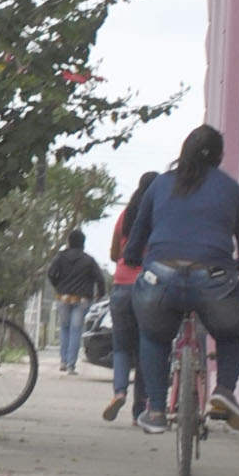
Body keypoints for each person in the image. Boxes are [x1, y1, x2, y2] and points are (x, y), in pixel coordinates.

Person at [123, 124, 239, 434]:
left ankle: (156, 410)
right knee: (237, 333)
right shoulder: (230, 189)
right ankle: (224, 391)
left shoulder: (159, 186)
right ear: (219, 157)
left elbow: (137, 235)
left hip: (160, 279)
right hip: (213, 279)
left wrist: (132, 258)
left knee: (153, 335)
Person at [101, 170, 158, 422]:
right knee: (149, 346)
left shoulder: (126, 215)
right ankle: (140, 410)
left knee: (122, 346)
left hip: (122, 285)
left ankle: (119, 391)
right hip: (150, 286)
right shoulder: (160, 216)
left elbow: (114, 253)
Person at [46, 227, 105, 374]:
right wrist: (100, 294)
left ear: (69, 242)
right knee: (75, 330)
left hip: (63, 297)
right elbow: (100, 278)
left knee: (64, 328)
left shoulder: (60, 257)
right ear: (83, 243)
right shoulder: (89, 260)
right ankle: (71, 365)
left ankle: (63, 361)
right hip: (82, 299)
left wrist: (58, 286)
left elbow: (51, 273)